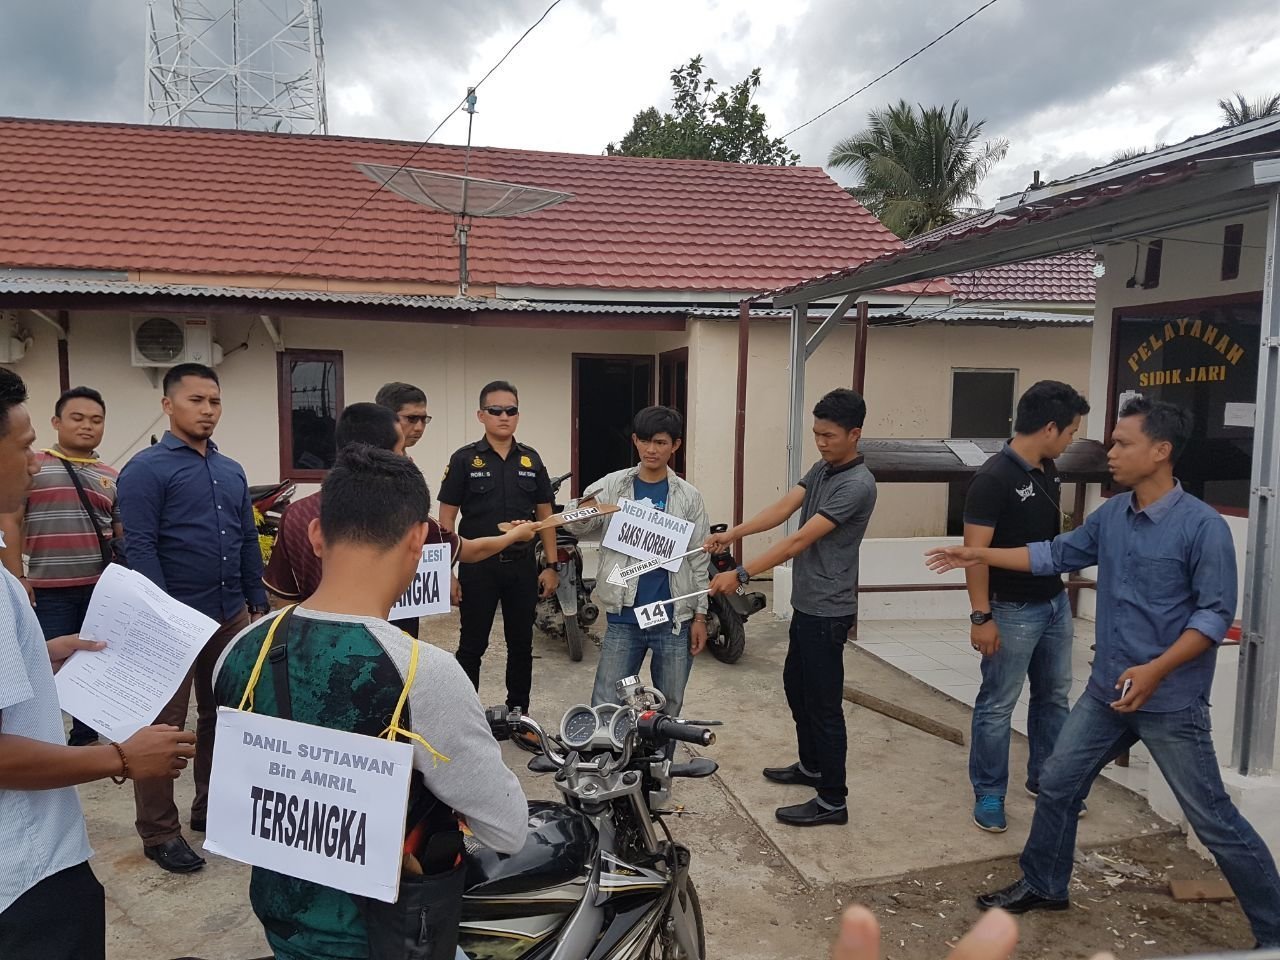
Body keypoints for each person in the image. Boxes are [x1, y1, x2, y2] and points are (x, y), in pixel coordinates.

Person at [926, 397, 1280, 948]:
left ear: (1160, 451)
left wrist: (1157, 669)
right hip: (1106, 691)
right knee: (1058, 783)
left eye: (1122, 443)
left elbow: (1213, 617)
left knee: (1212, 818)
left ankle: (1273, 931)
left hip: (1169, 700)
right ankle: (1045, 883)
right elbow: (1054, 554)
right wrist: (980, 555)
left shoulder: (1202, 527)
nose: (1109, 451)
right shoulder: (1112, 516)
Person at [214, 444, 529, 960]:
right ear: (418, 539)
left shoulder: (243, 649)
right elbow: (508, 829)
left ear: (317, 535)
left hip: (284, 924)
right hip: (386, 935)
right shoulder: (422, 672)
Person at [0, 368, 196, 960]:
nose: (33, 463)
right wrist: (119, 757)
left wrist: (38, 655)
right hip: (23, 877)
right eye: (24, 446)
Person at [117, 362, 270, 874]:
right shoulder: (146, 469)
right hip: (171, 619)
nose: (207, 410)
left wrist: (256, 599)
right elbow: (140, 546)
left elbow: (246, 539)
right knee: (163, 727)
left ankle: (211, 807)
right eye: (196, 400)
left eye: (215, 401)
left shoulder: (231, 471)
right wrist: (163, 613)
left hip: (228, 614)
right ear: (168, 405)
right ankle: (159, 831)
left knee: (223, 716)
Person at [706, 388, 877, 828]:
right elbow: (783, 509)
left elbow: (799, 540)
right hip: (808, 605)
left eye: (829, 435)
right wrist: (733, 534)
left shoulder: (857, 485)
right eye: (816, 434)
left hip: (828, 609)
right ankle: (812, 766)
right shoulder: (824, 468)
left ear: (855, 434)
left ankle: (832, 800)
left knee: (823, 704)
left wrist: (741, 573)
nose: (820, 442)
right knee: (796, 687)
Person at [266, 401, 553, 604]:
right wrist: (515, 535)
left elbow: (284, 598)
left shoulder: (296, 515)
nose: (405, 455)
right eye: (400, 448)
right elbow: (472, 550)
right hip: (391, 650)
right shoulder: (405, 514)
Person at [963, 381, 1091, 833]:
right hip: (1011, 609)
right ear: (1050, 427)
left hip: (1054, 603)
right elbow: (974, 554)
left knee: (1054, 696)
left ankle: (1048, 781)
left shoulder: (1048, 468)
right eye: (1071, 431)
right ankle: (989, 793)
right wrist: (982, 616)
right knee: (998, 703)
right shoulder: (993, 479)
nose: (1071, 440)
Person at [0, 386, 124, 747]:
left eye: (96, 420)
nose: (87, 426)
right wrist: (18, 577)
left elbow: (120, 533)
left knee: (88, 663)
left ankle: (83, 737)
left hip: (98, 590)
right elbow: (12, 521)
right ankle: (43, 745)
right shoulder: (34, 466)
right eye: (77, 418)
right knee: (42, 671)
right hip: (48, 590)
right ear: (57, 422)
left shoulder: (111, 475)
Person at [567, 406, 710, 717]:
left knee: (668, 708)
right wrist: (584, 507)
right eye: (644, 441)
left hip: (673, 620)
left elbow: (698, 558)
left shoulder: (688, 497)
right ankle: (607, 750)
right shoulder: (613, 485)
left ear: (675, 445)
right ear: (634, 440)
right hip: (624, 618)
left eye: (660, 442)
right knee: (606, 704)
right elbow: (576, 524)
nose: (651, 449)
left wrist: (700, 616)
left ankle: (661, 751)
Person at [438, 380, 558, 712]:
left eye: (511, 410)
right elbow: (446, 520)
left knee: (521, 646)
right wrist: (446, 572)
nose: (504, 417)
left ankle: (519, 714)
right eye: (496, 411)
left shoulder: (531, 460)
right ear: (481, 415)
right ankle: (464, 717)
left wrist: (551, 566)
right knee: (471, 647)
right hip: (478, 569)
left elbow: (546, 515)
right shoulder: (464, 460)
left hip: (521, 568)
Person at [376, 381, 430, 454]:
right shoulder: (367, 458)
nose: (419, 428)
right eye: (411, 418)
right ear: (387, 418)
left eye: (423, 419)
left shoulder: (404, 457)